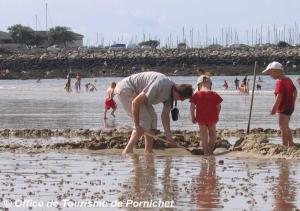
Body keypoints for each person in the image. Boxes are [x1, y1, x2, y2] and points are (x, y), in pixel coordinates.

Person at [115, 71, 193, 154]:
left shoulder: (171, 95)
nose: (181, 101)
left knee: (153, 119)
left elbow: (165, 115)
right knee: (145, 120)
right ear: (176, 91)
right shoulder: (160, 85)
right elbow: (135, 102)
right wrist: (137, 125)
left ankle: (148, 151)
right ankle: (128, 150)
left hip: (139, 95)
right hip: (126, 89)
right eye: (182, 98)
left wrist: (168, 134)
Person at [262, 61, 297, 148]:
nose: (270, 75)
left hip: (282, 108)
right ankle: (290, 144)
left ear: (276, 71)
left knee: (282, 127)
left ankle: (284, 146)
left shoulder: (279, 82)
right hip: (290, 107)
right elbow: (295, 91)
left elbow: (279, 96)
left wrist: (274, 109)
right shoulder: (288, 79)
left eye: (270, 73)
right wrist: (293, 101)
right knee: (286, 126)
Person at [190, 75, 223, 155]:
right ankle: (211, 151)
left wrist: (192, 117)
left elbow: (192, 107)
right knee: (212, 134)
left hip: (200, 117)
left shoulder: (196, 94)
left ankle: (205, 152)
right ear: (210, 85)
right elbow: (218, 106)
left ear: (198, 85)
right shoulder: (214, 94)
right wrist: (217, 115)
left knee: (204, 135)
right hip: (212, 117)